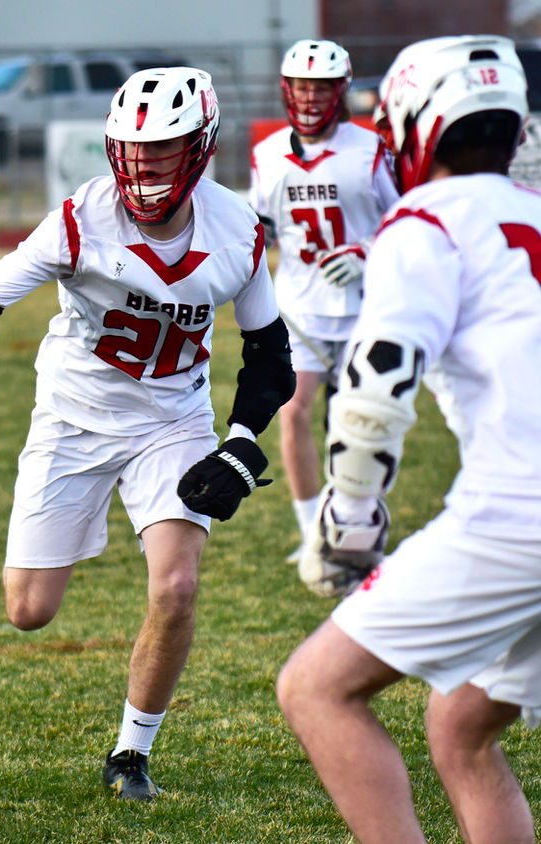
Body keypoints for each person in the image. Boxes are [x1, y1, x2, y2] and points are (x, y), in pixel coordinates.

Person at [0, 66, 294, 800]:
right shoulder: (79, 218)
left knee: (177, 585)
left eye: (162, 151)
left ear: (200, 150)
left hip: (172, 418)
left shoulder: (237, 232)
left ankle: (131, 755)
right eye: (132, 151)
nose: (143, 168)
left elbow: (269, 358)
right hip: (73, 416)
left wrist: (239, 441)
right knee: (29, 610)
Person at [277, 35, 541, 843]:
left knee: (314, 688)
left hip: (519, 516)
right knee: (462, 723)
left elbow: (379, 379)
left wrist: (348, 516)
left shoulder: (424, 220)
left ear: (416, 124)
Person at [248, 39, 398, 564]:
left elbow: (407, 224)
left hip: (364, 306)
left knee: (361, 420)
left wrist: (366, 251)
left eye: (322, 86)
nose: (311, 97)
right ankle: (312, 528)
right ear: (287, 90)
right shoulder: (267, 156)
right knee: (293, 413)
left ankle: (358, 522)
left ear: (342, 89)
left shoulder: (372, 149)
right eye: (302, 86)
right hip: (301, 307)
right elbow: (260, 230)